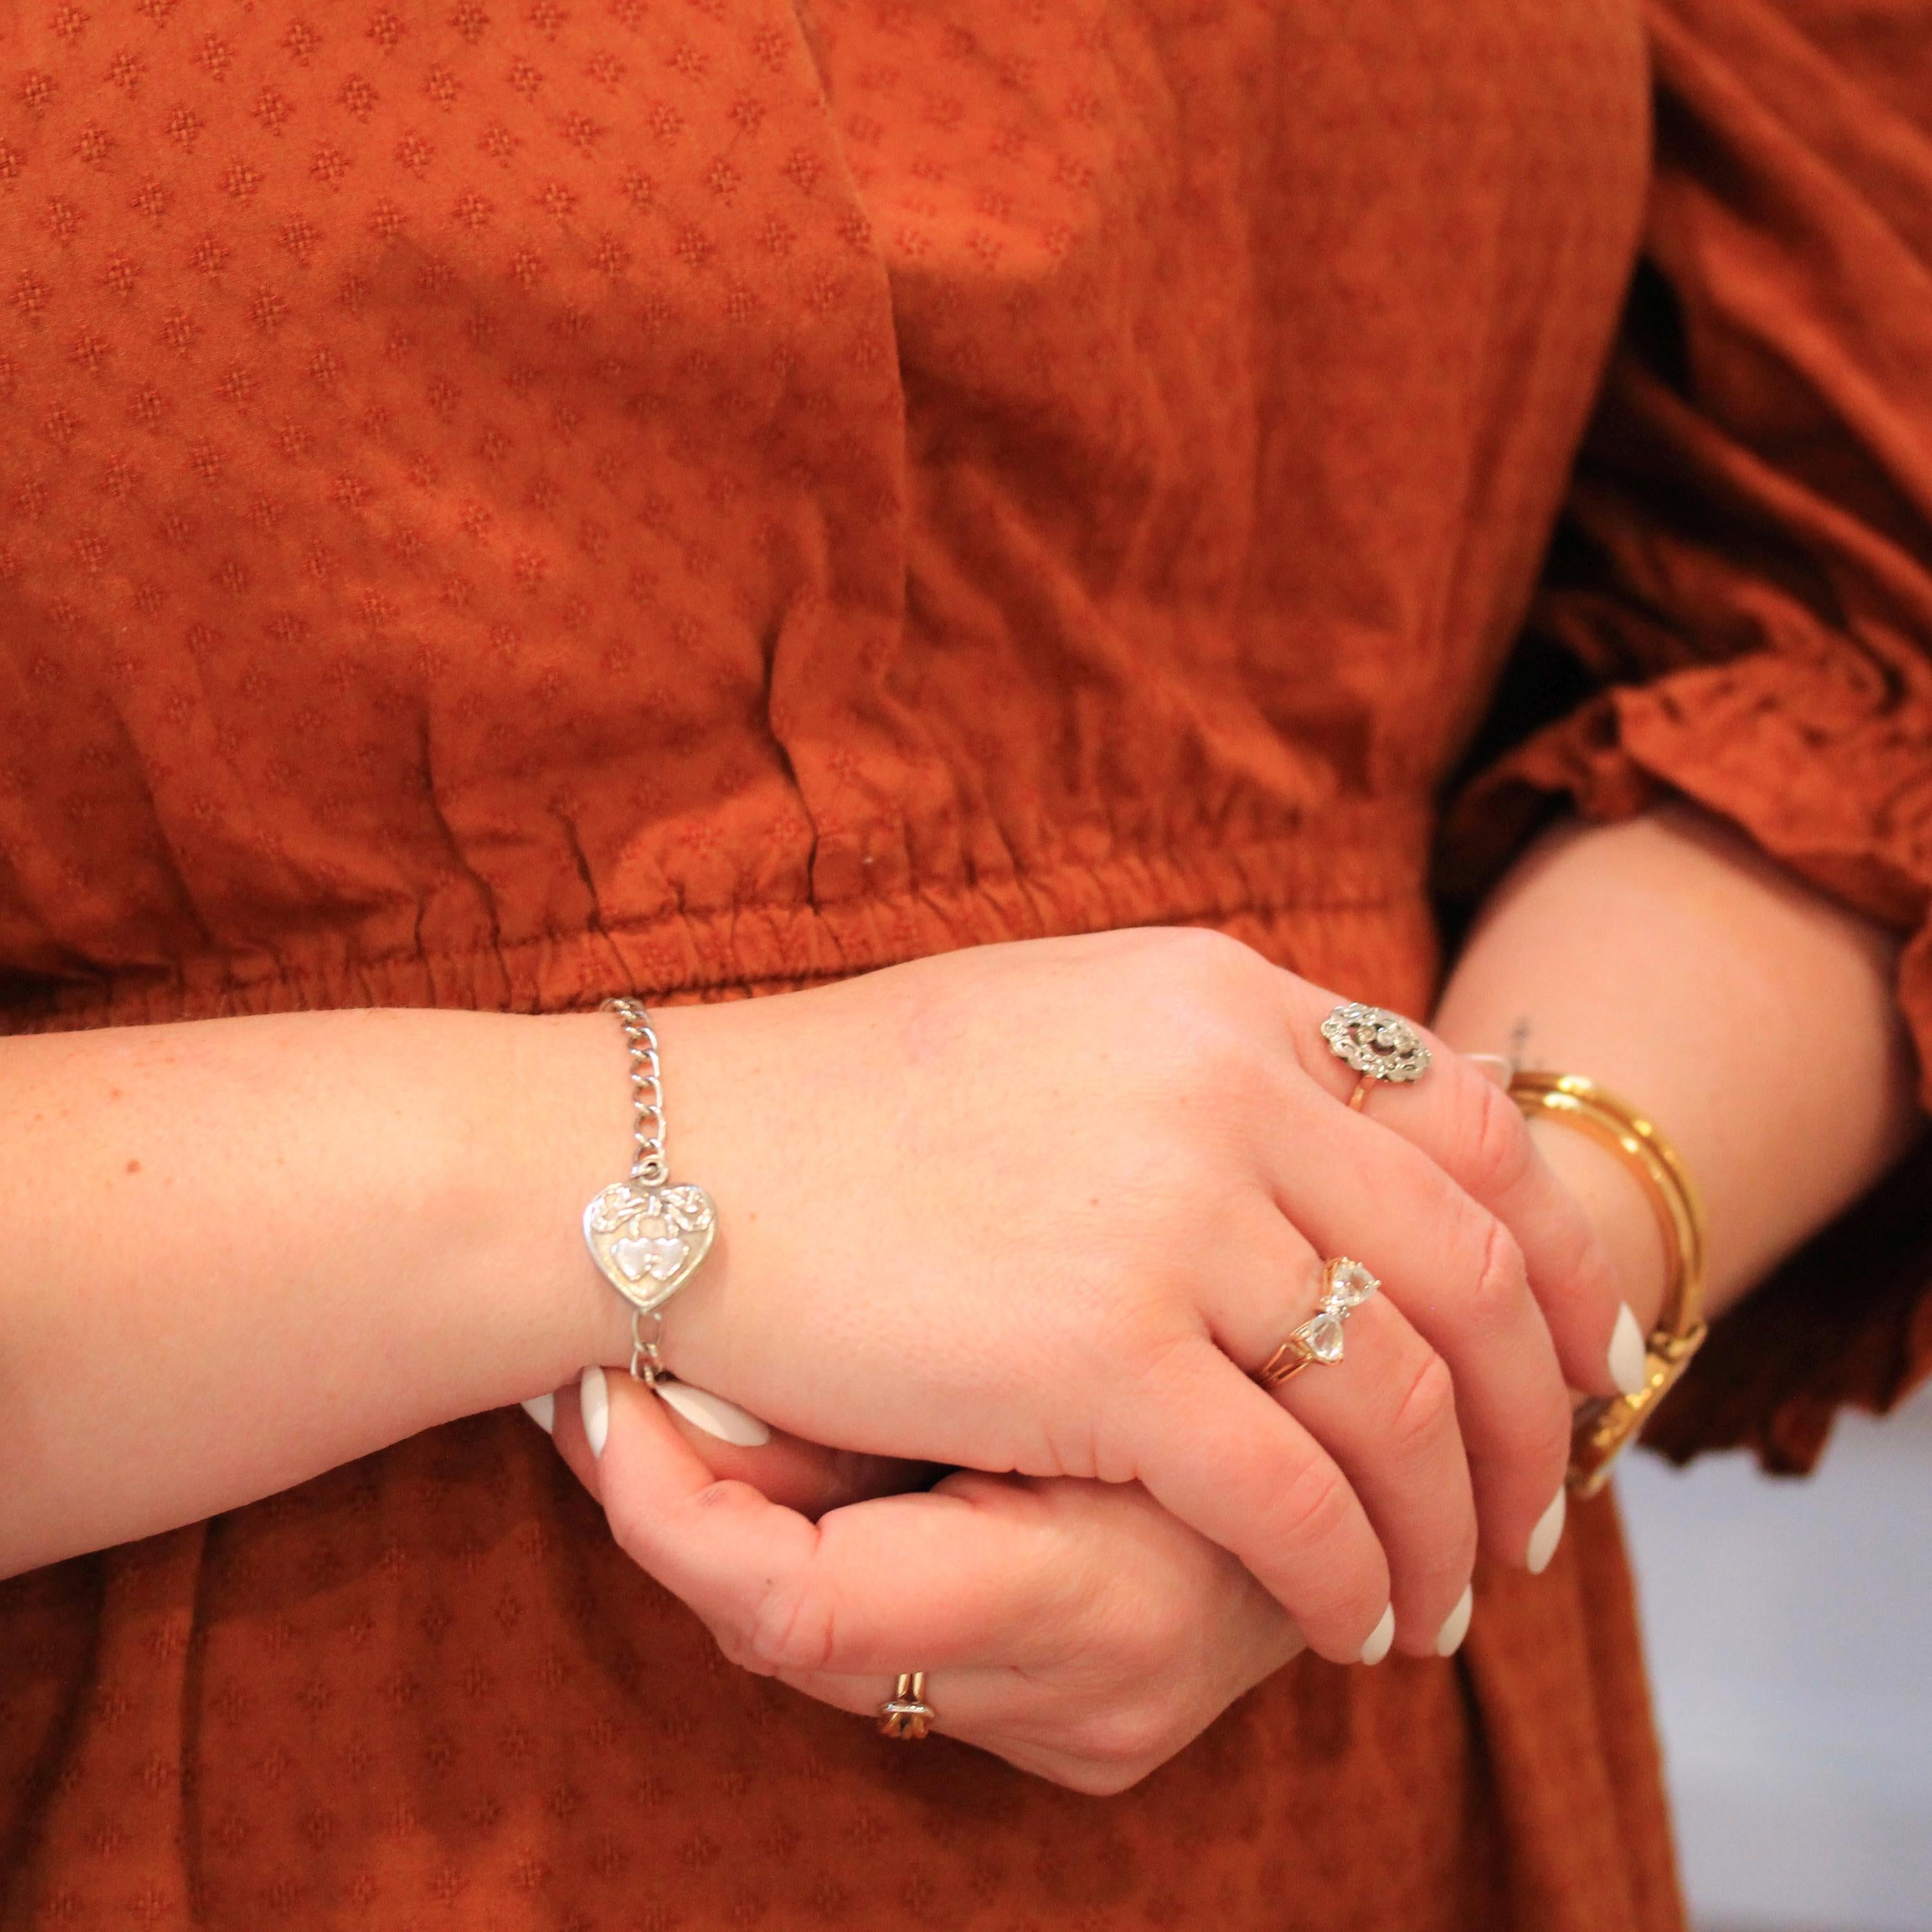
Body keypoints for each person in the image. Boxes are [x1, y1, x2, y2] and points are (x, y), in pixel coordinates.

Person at [1, 0, 1927, 1926]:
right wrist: (646, 1166)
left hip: (1339, 1755)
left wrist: (1429, 1330)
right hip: (263, 1775)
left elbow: (1852, 613)